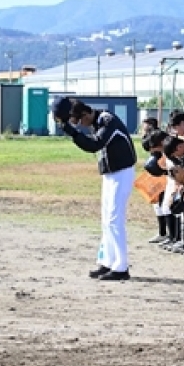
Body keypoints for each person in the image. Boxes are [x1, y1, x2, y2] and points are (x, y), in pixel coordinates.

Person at [52, 97, 137, 281]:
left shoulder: (107, 120)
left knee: (114, 220)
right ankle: (107, 261)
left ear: (85, 114)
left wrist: (72, 131)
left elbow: (94, 145)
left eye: (79, 121)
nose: (80, 126)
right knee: (107, 220)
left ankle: (121, 267)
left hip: (122, 173)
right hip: (110, 174)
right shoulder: (96, 123)